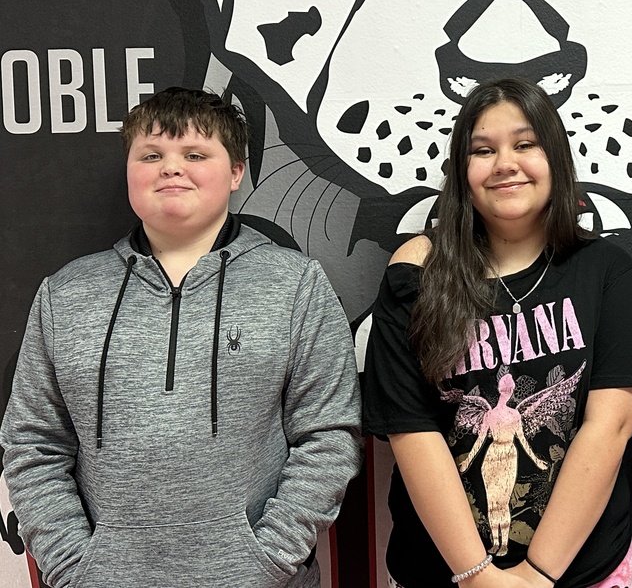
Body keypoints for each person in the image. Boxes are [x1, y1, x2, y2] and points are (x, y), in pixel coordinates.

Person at [1, 87, 364, 588]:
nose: (172, 168)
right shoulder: (65, 294)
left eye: (195, 154)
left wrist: (267, 560)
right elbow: (33, 444)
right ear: (129, 170)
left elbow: (328, 435)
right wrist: (75, 567)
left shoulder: (296, 284)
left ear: (236, 172)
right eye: (151, 155)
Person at [363, 77, 632, 588]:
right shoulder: (417, 271)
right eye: (483, 150)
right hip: (440, 574)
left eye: (526, 144)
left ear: (556, 159)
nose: (505, 163)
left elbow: (610, 427)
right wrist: (478, 577)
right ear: (461, 172)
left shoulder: (606, 270)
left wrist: (538, 575)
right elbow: (410, 429)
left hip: (583, 572)